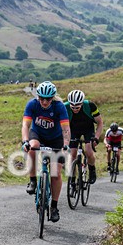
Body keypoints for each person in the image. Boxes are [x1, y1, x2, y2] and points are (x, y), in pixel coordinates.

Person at [22, 81, 70, 223]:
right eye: (41, 98)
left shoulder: (59, 106)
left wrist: (66, 145)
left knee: (56, 173)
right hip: (38, 135)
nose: (44, 102)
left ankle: (54, 207)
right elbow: (25, 125)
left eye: (48, 99)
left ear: (52, 98)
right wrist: (25, 141)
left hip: (56, 139)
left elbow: (66, 129)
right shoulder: (32, 104)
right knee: (33, 147)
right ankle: (33, 181)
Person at [64, 89, 103, 183]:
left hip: (88, 129)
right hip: (73, 130)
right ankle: (72, 178)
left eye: (77, 107)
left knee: (88, 151)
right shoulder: (65, 107)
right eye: (72, 107)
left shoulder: (90, 105)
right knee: (72, 154)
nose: (75, 109)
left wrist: (96, 137)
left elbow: (100, 123)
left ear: (82, 103)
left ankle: (92, 170)